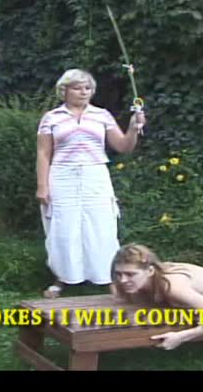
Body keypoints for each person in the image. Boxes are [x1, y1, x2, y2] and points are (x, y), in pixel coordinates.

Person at [36, 69, 146, 298]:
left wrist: (133, 128)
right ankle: (62, 277)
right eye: (77, 88)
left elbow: (123, 146)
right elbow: (44, 153)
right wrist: (42, 186)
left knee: (101, 226)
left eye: (87, 88)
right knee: (63, 228)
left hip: (95, 175)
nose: (83, 92)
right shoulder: (52, 118)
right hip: (63, 175)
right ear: (64, 90)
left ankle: (108, 278)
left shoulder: (102, 115)